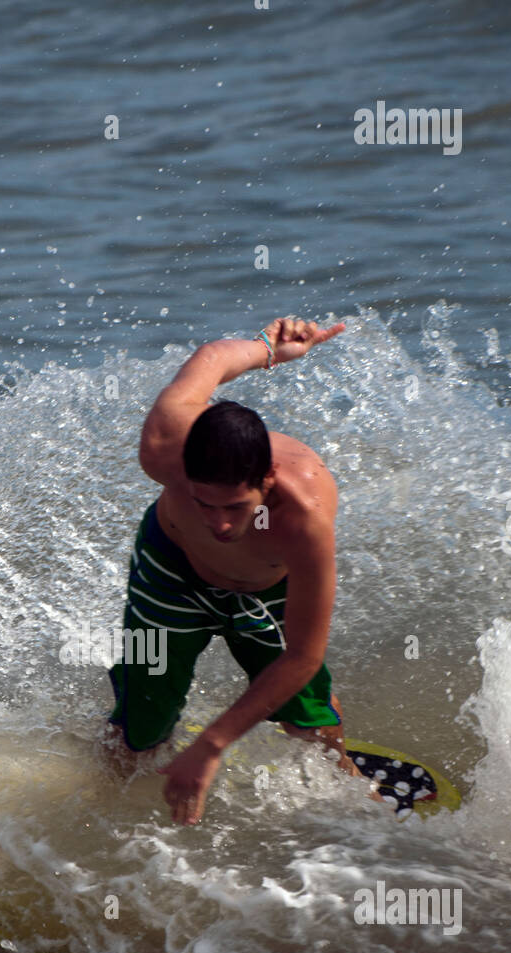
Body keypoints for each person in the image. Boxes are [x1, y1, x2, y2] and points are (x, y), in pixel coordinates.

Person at [105, 315, 364, 826]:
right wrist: (266, 347)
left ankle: (347, 775)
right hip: (170, 574)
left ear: (267, 480)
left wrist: (211, 746)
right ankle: (105, 795)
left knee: (307, 720)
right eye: (204, 504)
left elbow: (302, 657)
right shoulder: (163, 446)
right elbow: (212, 358)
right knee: (144, 723)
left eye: (235, 508)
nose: (219, 523)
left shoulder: (304, 518)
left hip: (267, 591)